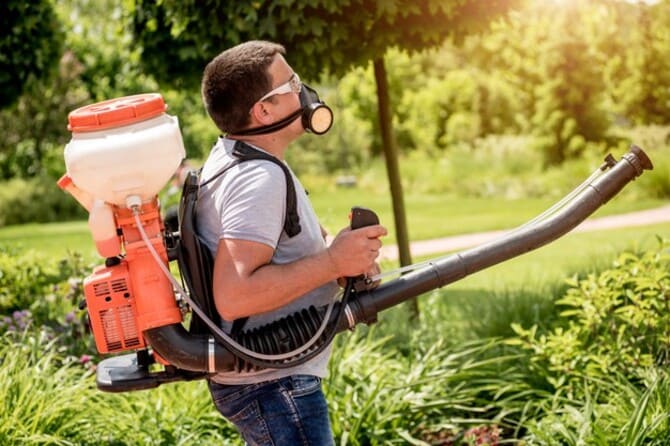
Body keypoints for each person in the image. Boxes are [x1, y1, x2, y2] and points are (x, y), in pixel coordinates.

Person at [196, 40, 387, 445]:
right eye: (291, 83)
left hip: (267, 384)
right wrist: (333, 264)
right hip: (274, 388)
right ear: (263, 111)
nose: (303, 91)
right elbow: (235, 294)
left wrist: (340, 253)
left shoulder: (235, 158)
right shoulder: (257, 178)